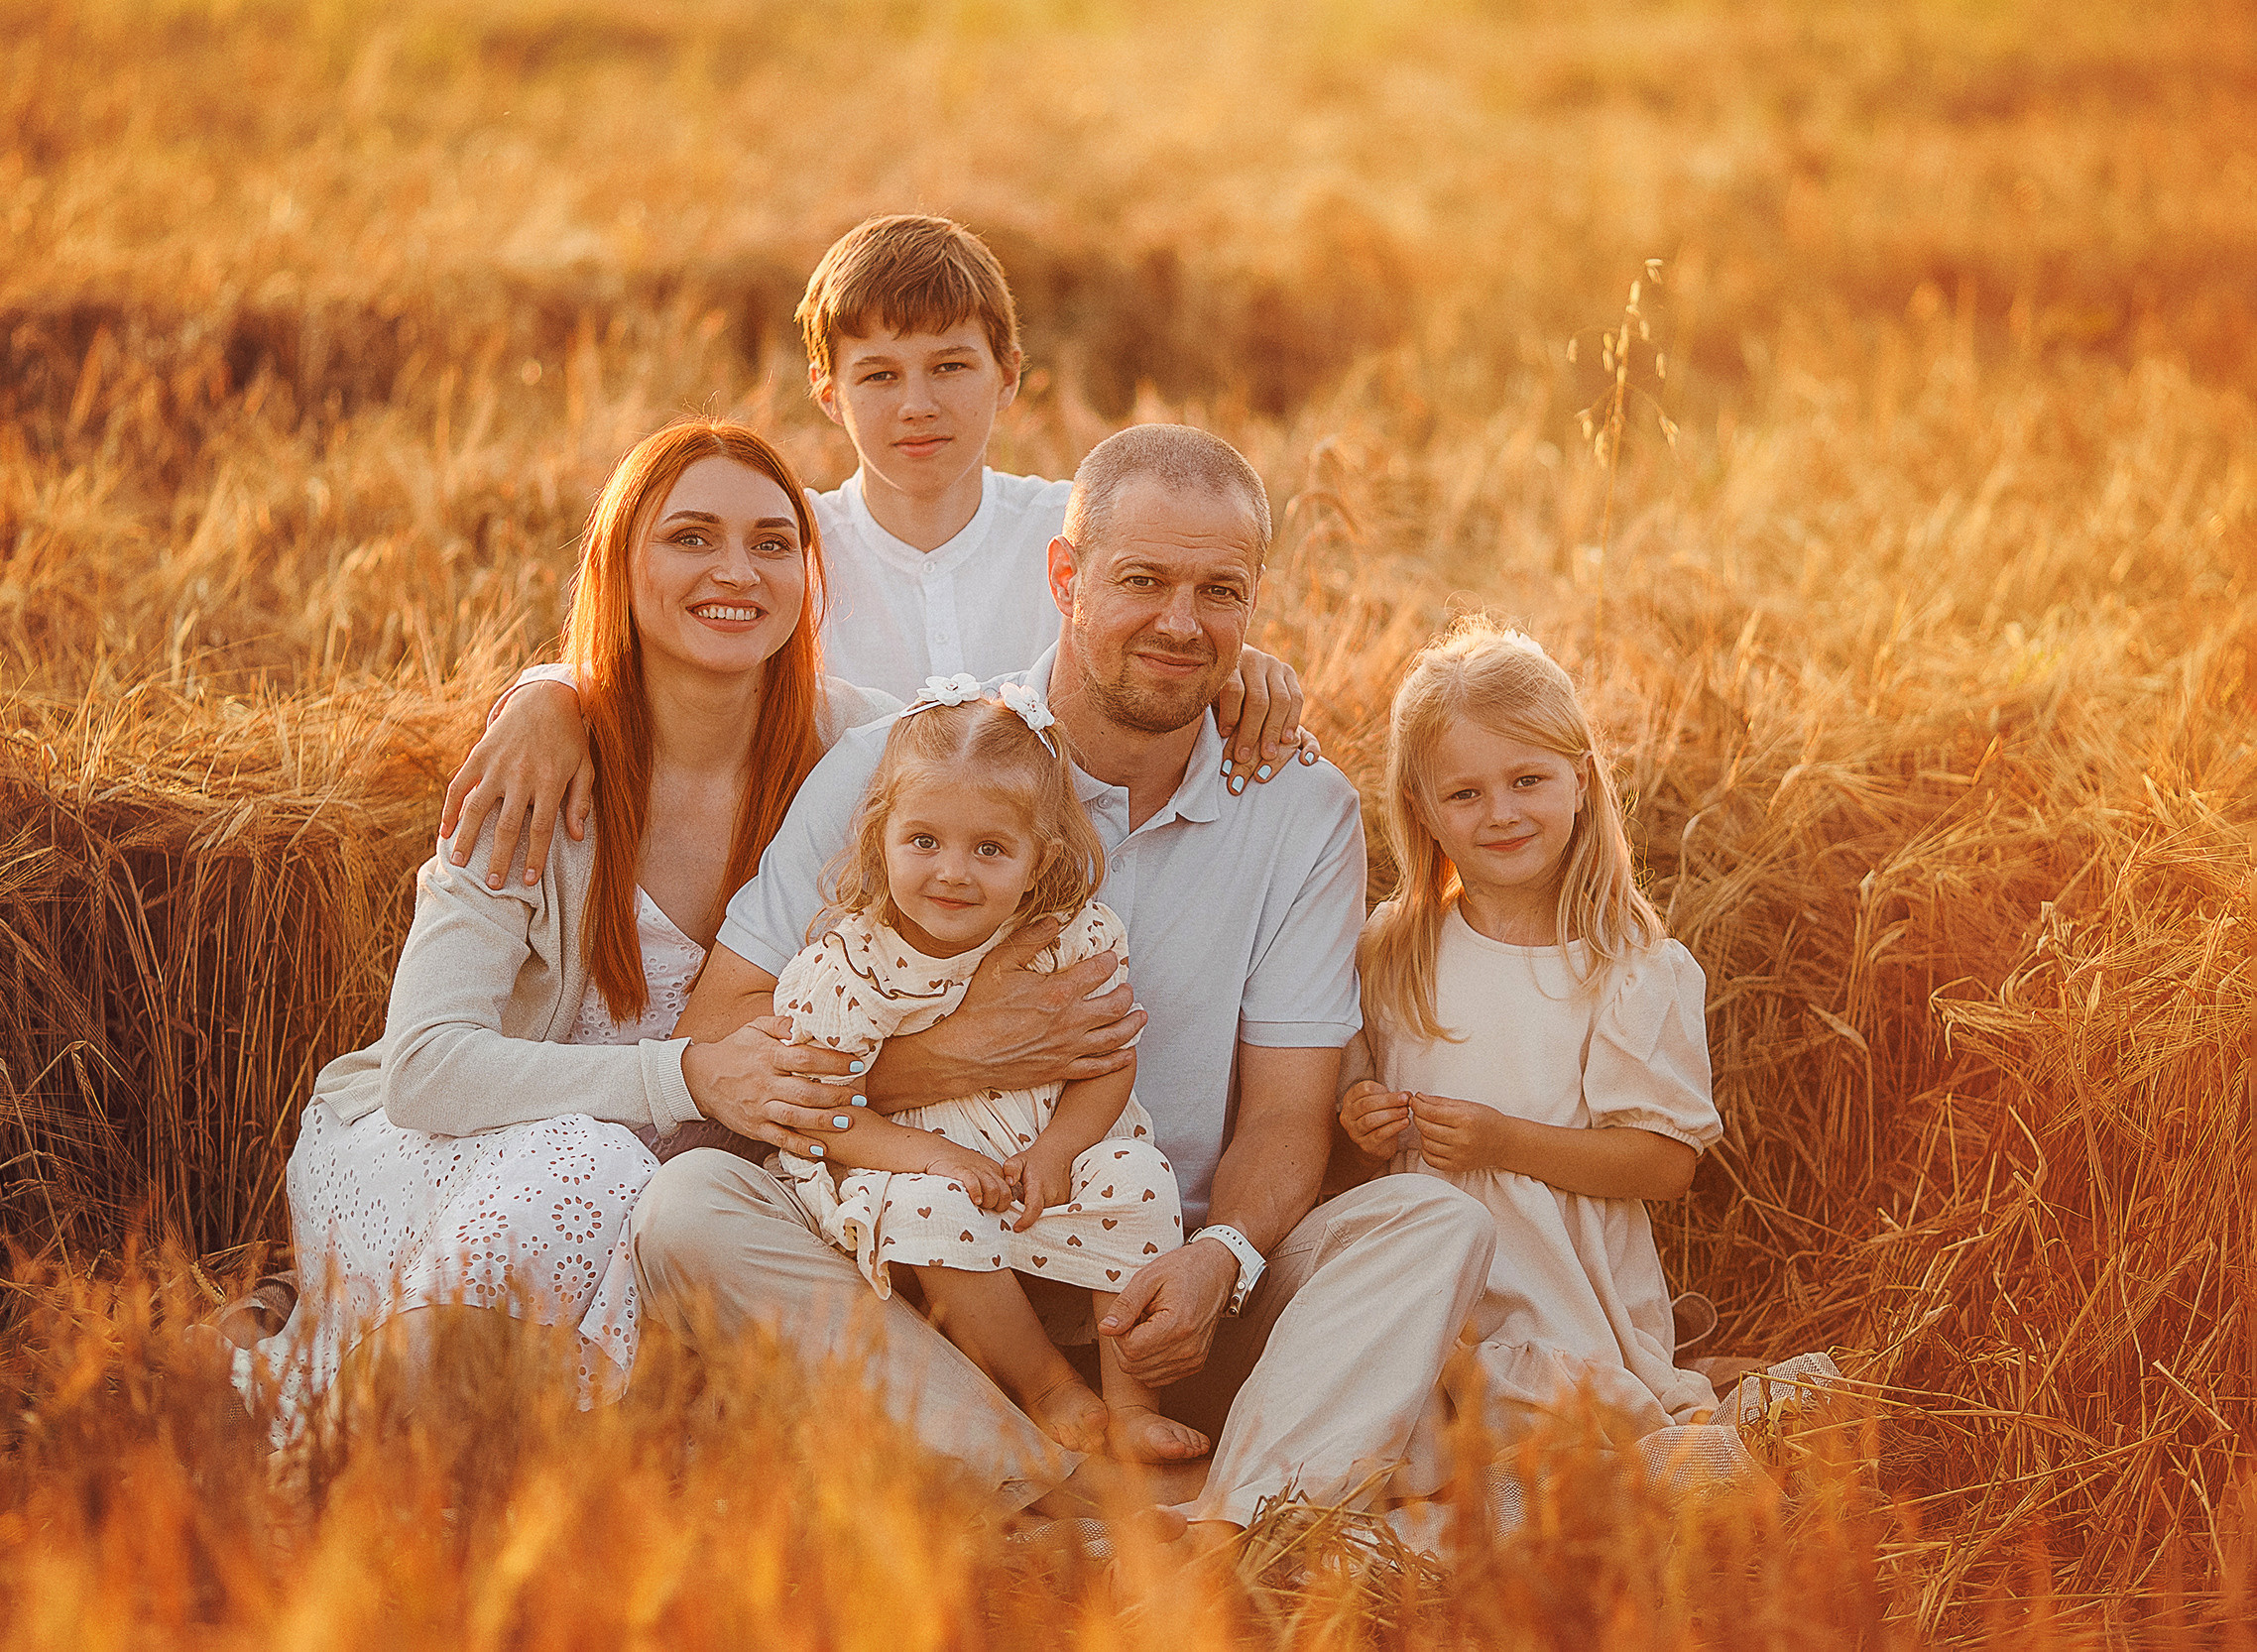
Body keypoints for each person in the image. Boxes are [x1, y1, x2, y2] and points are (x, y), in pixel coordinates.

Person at [629, 423, 1500, 1538]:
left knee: (1431, 1223)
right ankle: (1071, 1495)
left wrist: (1221, 1257)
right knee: (689, 1209)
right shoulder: (912, 765)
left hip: (1167, 1291)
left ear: (1253, 603)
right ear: (1064, 576)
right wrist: (945, 1060)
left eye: (1219, 592)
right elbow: (723, 1029)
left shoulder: (1298, 807)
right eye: (1142, 581)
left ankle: (1228, 1530)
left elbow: (1287, 1112)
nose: (1180, 623)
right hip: (923, 1286)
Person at [258, 420, 889, 1408]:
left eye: (772, 541)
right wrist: (685, 1076)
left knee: (695, 1207)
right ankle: (376, 1410)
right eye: (690, 537)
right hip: (449, 1153)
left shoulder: (859, 749)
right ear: (619, 564)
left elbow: (1017, 740)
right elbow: (425, 1070)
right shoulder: (536, 774)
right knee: (593, 1160)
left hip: (686, 1188)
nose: (737, 570)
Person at [441, 215, 1316, 892]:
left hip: (1058, 887)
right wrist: (549, 694)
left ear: (1011, 374)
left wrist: (1249, 668)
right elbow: (656, 652)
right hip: (838, 909)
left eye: (951, 367)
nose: (917, 406)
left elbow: (1167, 622)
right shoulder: (783, 555)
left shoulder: (1076, 534)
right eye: (879, 375)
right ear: (827, 391)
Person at [766, 679, 1206, 1465]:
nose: (953, 873)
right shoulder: (855, 965)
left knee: (1138, 1174)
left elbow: (1110, 1059)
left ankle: (1133, 1401)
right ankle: (1048, 1388)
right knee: (929, 1208)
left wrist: (1059, 1149)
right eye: (923, 841)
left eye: (990, 849)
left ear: (1041, 861)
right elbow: (824, 1113)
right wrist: (937, 1156)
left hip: (1045, 1168)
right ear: (880, 837)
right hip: (922, 1179)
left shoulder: (1069, 938)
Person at [1335, 617, 1723, 1453]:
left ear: (1581, 779)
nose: (1501, 814)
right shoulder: (1392, 950)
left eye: (1528, 780)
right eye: (1465, 794)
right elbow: (1353, 1142)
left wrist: (1504, 1142)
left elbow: (1665, 1164)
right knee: (1402, 1444)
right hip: (1426, 1284)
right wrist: (1363, 1127)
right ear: (1422, 810)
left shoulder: (1629, 966)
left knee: (1568, 1437)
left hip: (1561, 1288)